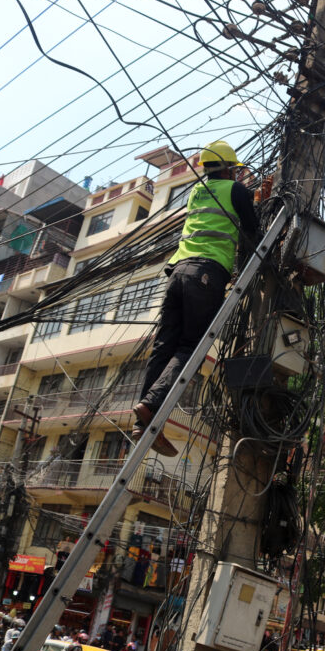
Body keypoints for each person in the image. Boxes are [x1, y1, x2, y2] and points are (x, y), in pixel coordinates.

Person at [131, 139, 259, 454]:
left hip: (177, 272)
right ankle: (151, 405)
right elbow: (254, 230)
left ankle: (144, 420)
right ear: (230, 169)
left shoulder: (195, 192)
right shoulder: (236, 190)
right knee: (191, 347)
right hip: (206, 274)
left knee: (164, 347)